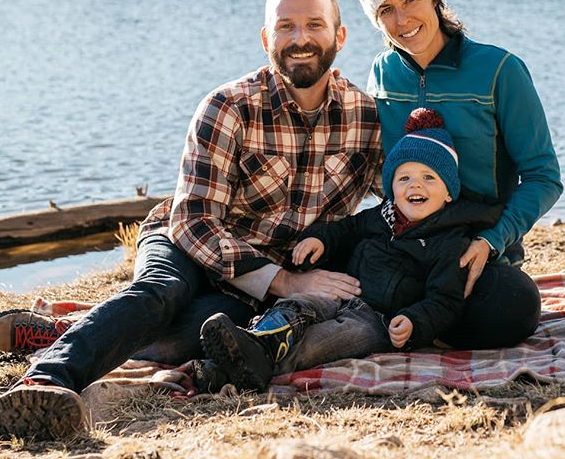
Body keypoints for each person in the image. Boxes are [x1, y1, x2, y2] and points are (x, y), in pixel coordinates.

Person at [0, 0, 383, 440]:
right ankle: (47, 378)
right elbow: (195, 222)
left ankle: (58, 329)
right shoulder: (228, 106)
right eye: (286, 26)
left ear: (339, 36)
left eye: (314, 25)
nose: (300, 38)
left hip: (254, 279)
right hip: (186, 239)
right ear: (267, 38)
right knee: (163, 295)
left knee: (204, 332)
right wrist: (286, 281)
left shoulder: (365, 118)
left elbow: (406, 197)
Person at [352, 0, 563, 349]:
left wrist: (492, 240)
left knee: (515, 305)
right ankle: (413, 318)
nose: (402, 20)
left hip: (479, 252)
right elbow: (382, 172)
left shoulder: (500, 69)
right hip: (405, 249)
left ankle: (405, 320)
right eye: (385, 10)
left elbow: (543, 177)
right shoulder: (382, 74)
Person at [197, 108, 503, 392]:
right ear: (391, 188)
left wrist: (414, 321)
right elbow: (346, 229)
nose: (415, 186)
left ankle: (229, 367)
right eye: (404, 177)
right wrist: (320, 239)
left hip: (379, 320)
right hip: (345, 293)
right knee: (299, 304)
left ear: (449, 193)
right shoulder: (381, 216)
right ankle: (254, 339)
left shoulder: (450, 242)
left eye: (429, 178)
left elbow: (445, 300)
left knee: (324, 342)